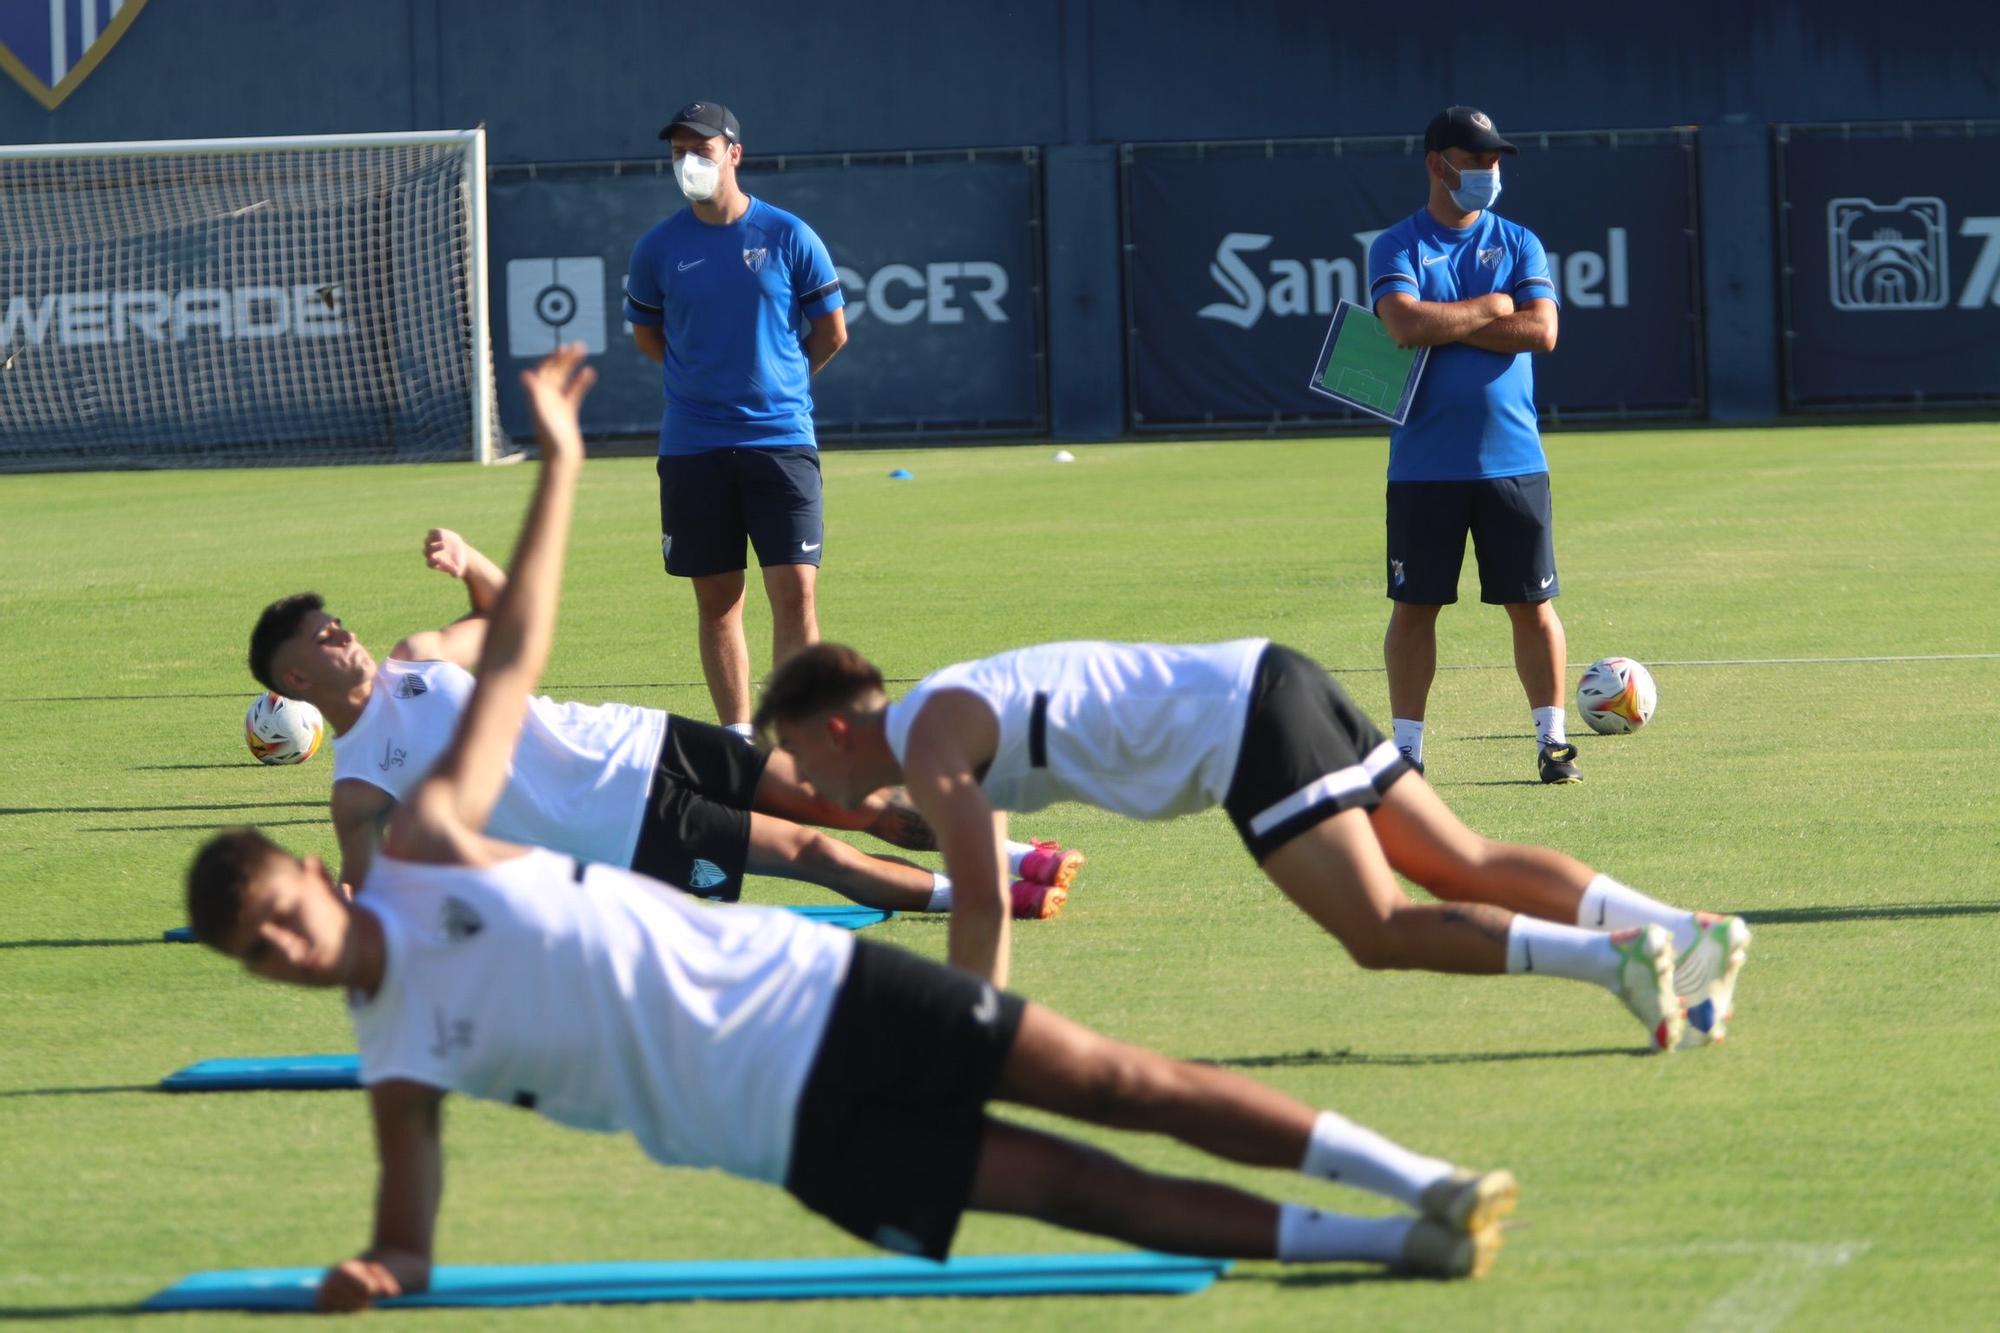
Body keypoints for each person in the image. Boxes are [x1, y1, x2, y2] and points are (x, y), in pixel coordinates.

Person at [186, 346, 1516, 1312]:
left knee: (1125, 1085)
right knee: (1079, 1193)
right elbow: (408, 1239)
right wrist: (376, 1270)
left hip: (820, 989)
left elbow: (519, 643)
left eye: (280, 919)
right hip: (794, 1137)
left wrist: (566, 464)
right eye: (263, 955)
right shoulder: (395, 1050)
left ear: (312, 881)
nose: (290, 950)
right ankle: (1405, 1246)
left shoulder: (422, 853)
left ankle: (1424, 1179)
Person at [755, 639, 1753, 1053]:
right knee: (1460, 860)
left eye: (793, 754)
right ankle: (1685, 930)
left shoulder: (929, 741)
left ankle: (1617, 959)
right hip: (1274, 676)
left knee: (1378, 928)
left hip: (1245, 735)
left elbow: (977, 901)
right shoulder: (940, 721)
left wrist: (969, 1048)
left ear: (836, 728)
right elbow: (992, 860)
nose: (798, 782)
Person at [245, 549, 1080, 920]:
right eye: (319, 639)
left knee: (839, 796)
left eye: (335, 622)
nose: (338, 635)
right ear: (295, 685)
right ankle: (982, 896)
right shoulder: (358, 785)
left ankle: (1009, 855)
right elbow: (373, 895)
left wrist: (467, 560)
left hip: (641, 737)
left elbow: (503, 614)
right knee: (812, 855)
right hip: (615, 827)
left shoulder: (417, 657)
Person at [1367, 106, 1578, 784]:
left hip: (1514, 460)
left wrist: (1446, 323)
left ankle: (1552, 742)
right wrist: (1491, 307)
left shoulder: (1520, 242)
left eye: (1494, 159)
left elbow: (1542, 331)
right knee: (1415, 607)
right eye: (1476, 157)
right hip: (1425, 465)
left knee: (1533, 605)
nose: (1489, 170)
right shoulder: (1397, 245)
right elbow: (1401, 323)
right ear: (1438, 163)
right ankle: (1405, 752)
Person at [625, 100, 847, 738]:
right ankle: (739, 743)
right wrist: (702, 386)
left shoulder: (788, 235)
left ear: (733, 153)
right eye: (677, 152)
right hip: (695, 447)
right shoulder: (659, 247)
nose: (688, 161)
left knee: (796, 595)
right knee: (717, 602)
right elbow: (648, 337)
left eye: (701, 149)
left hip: (780, 443)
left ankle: (801, 740)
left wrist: (780, 384)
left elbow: (831, 332)